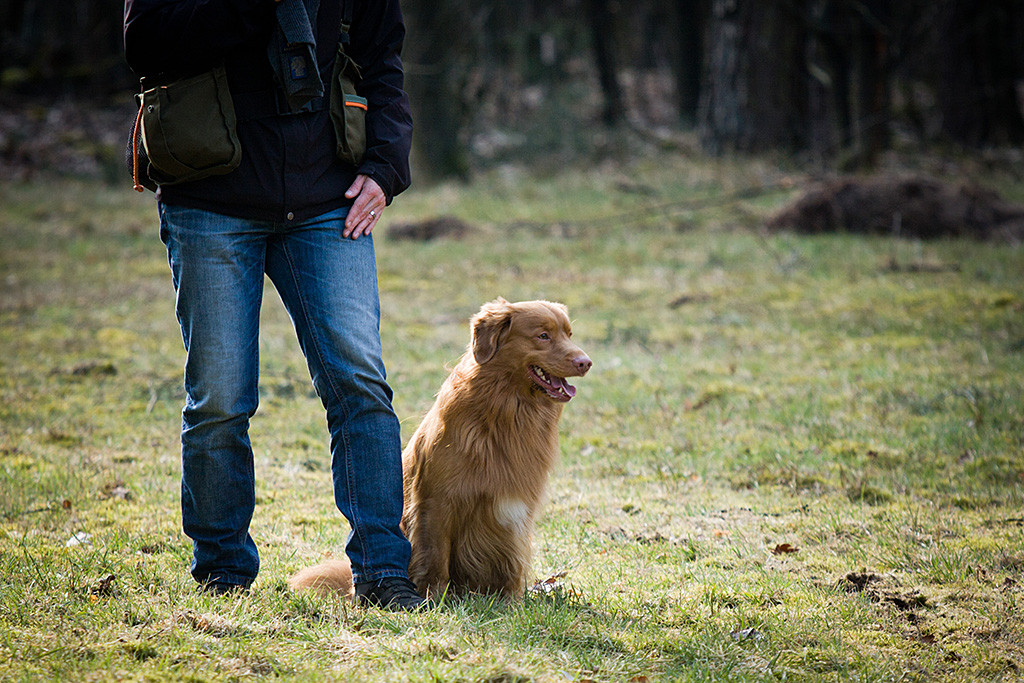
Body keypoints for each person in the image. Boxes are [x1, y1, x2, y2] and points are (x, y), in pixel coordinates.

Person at [123, 0, 424, 610]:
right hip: (210, 196)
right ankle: (222, 573)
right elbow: (145, 45)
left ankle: (385, 574)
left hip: (325, 198)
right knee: (220, 398)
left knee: (361, 386)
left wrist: (385, 165)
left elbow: (381, 59)